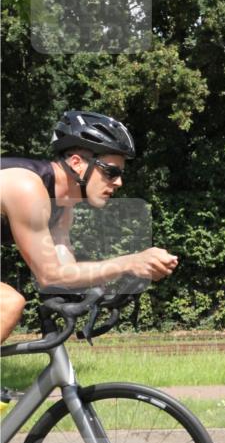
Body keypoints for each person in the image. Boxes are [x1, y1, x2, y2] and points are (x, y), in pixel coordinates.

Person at [0, 110, 178, 344]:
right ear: (77, 163)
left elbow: (65, 272)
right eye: (111, 171)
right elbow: (49, 275)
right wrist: (129, 262)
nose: (119, 182)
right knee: (8, 304)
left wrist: (111, 284)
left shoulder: (63, 208)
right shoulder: (27, 188)